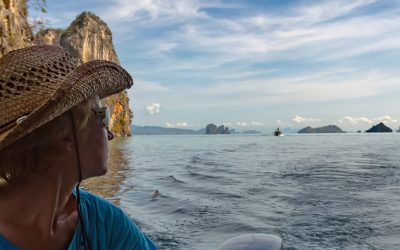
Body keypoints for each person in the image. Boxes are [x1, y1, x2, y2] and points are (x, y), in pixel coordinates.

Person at [0, 45, 157, 249]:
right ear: (64, 136)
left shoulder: (105, 222)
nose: (110, 134)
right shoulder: (102, 222)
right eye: (102, 116)